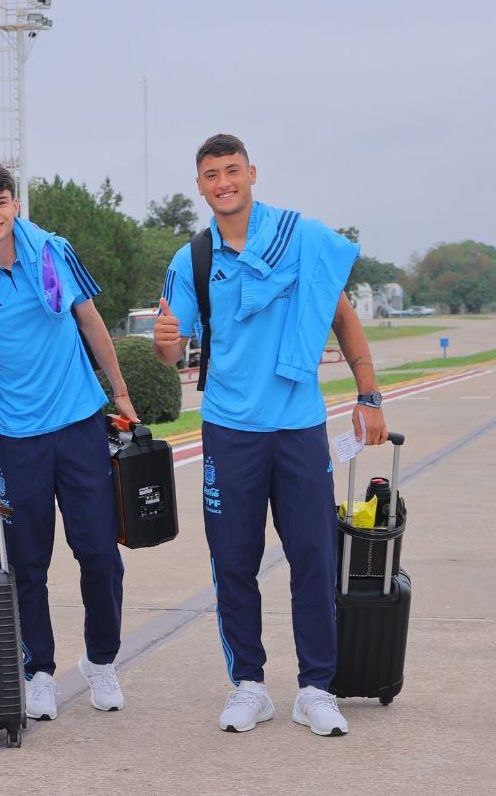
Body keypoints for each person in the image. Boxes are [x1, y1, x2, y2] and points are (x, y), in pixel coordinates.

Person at [153, 133, 388, 737]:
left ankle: (316, 687)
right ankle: (250, 684)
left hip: (300, 426)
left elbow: (340, 315)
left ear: (252, 173)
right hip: (230, 430)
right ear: (200, 185)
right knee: (234, 561)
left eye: (233, 170)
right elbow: (173, 348)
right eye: (212, 174)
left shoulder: (300, 239)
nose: (224, 182)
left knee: (313, 555)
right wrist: (165, 346)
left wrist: (368, 395)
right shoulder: (193, 260)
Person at [0, 161, 139, 721]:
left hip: (78, 421)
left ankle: (101, 660)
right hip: (18, 436)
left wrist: (119, 392)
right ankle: (38, 669)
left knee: (98, 552)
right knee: (28, 559)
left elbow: (91, 321)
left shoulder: (52, 250)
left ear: (14, 205)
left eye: (0, 202)